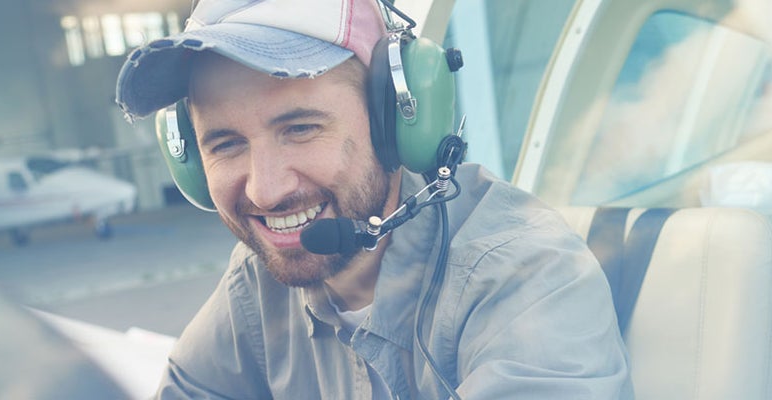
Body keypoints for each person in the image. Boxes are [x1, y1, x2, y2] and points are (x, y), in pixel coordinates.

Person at [114, 0, 633, 398]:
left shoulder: (527, 273)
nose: (264, 190)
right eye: (225, 144)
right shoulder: (256, 286)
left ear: (398, 121)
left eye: (299, 128)